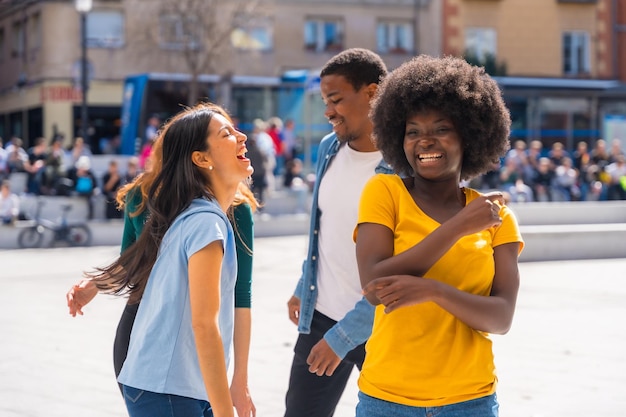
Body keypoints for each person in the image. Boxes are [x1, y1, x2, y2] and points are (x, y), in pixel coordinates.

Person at [354, 54, 524, 416]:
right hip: (387, 400)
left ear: (469, 134)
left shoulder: (496, 218)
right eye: (413, 131)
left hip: (470, 401)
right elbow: (373, 285)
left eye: (441, 129)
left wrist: (434, 291)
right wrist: (459, 227)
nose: (424, 141)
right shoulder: (385, 192)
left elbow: (502, 317)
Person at [68, 103, 255, 417]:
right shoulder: (202, 221)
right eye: (226, 133)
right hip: (166, 378)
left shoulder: (203, 215)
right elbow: (203, 323)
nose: (242, 137)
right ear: (200, 158)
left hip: (176, 378)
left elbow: (237, 299)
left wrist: (236, 380)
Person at [284, 48, 392, 417]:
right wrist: (303, 285)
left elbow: (404, 265)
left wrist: (343, 338)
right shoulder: (328, 149)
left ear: (372, 93)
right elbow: (323, 229)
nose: (328, 111)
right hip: (322, 315)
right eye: (324, 101)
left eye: (336, 100)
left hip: (380, 326)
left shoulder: (404, 165)